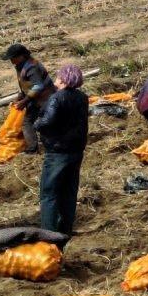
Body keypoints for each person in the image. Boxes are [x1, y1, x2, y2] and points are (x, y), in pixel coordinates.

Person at [36, 64, 89, 237]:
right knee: (69, 190)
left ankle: (49, 233)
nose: (56, 80)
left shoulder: (56, 98)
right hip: (76, 150)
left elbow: (48, 121)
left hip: (57, 151)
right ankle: (65, 228)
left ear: (64, 79)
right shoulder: (82, 97)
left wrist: (37, 124)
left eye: (58, 77)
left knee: (49, 193)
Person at [4, 43, 53, 153]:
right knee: (28, 121)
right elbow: (25, 85)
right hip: (36, 99)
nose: (11, 61)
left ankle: (36, 147)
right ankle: (33, 147)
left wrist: (25, 101)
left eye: (13, 58)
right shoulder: (22, 66)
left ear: (21, 56)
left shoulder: (32, 67)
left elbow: (38, 86)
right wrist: (20, 97)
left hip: (46, 98)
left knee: (37, 121)